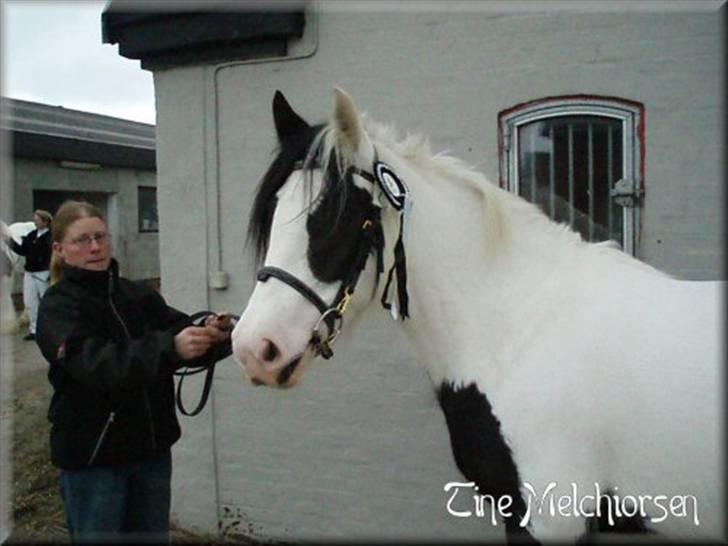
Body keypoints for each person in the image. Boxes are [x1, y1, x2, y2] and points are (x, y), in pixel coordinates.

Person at [35, 200, 233, 543]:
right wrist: (171, 348)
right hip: (95, 461)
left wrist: (213, 331)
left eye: (100, 236)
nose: (95, 247)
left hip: (150, 453)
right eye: (82, 240)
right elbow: (96, 363)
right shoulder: (58, 306)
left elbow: (176, 329)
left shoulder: (135, 293)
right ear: (60, 249)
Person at [1, 210, 53, 340]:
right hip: (30, 272)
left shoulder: (50, 238)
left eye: (37, 220)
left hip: (42, 272)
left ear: (45, 222)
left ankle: (50, 328)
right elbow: (21, 250)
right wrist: (8, 240)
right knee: (30, 302)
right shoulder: (31, 235)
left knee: (45, 301)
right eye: (34, 220)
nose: (35, 222)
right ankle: (34, 331)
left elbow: (52, 256)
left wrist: (50, 271)